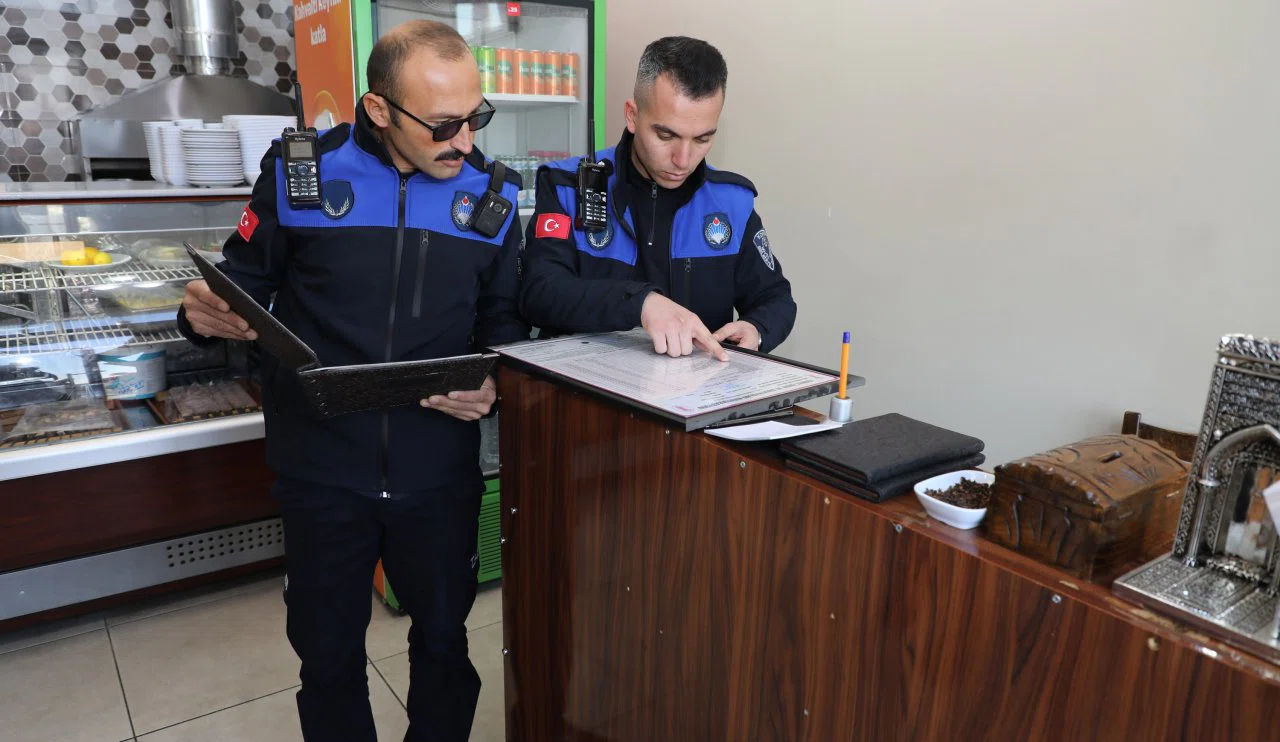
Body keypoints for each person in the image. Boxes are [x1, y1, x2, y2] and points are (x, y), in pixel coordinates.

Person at [176, 20, 528, 742]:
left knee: (444, 643)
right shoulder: (300, 175)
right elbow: (239, 288)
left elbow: (503, 327)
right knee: (328, 656)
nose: (465, 142)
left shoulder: (492, 198)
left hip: (438, 473)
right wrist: (201, 315)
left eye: (476, 117)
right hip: (321, 471)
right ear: (378, 109)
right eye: (443, 124)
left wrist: (495, 386)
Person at [520, 36, 796, 359]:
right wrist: (640, 303)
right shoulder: (565, 186)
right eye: (666, 135)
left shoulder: (731, 202)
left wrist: (756, 329)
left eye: (702, 139)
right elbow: (539, 293)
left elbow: (775, 297)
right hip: (588, 386)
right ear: (632, 116)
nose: (683, 160)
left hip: (694, 388)